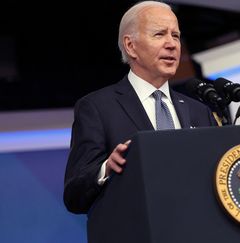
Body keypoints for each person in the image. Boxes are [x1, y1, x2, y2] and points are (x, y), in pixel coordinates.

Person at [63, 1, 217, 214]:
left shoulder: (199, 112)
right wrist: (106, 168)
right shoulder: (97, 108)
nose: (172, 44)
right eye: (159, 34)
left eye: (175, 35)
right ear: (130, 46)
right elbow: (74, 195)